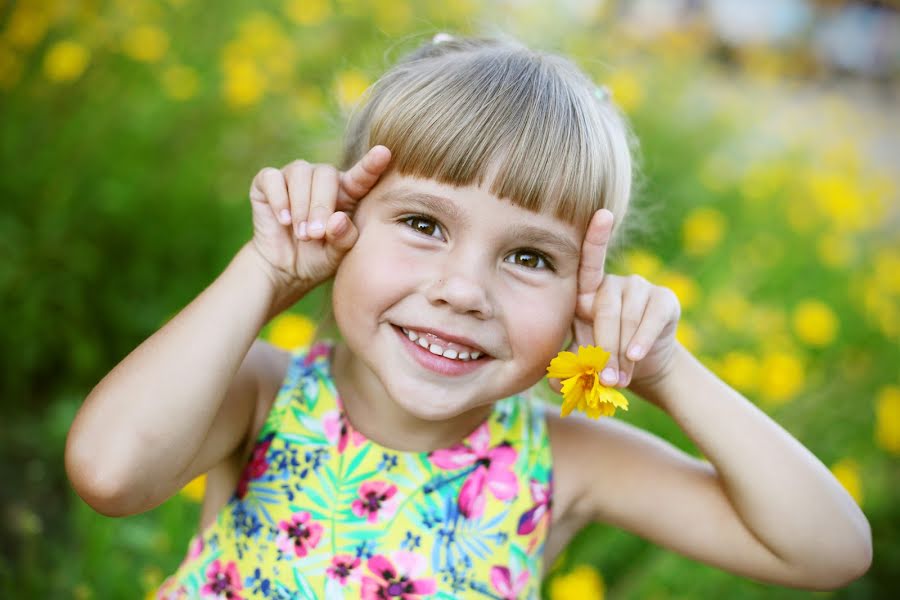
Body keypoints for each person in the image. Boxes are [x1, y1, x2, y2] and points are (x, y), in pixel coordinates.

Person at [65, 33, 872, 599]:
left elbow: (827, 550)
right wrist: (267, 271)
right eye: (424, 224)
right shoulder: (260, 394)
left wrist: (663, 370)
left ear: (583, 297)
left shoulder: (564, 460)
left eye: (530, 258)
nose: (464, 290)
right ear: (341, 222)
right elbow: (110, 474)